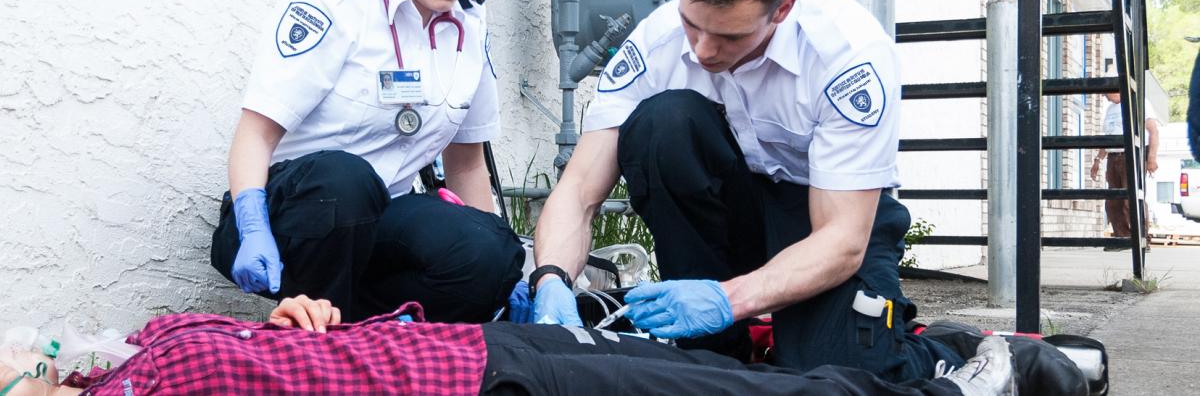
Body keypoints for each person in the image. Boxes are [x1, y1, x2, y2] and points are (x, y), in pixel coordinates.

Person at [528, 0, 962, 383]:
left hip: (824, 219)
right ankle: (716, 351)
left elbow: (841, 240)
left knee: (837, 377)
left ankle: (945, 350)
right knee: (663, 123)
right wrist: (550, 278)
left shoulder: (847, 55)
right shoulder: (656, 43)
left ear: (782, 9)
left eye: (729, 36)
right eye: (693, 24)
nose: (702, 50)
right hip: (728, 213)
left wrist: (726, 300)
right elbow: (579, 189)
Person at [209, 0, 524, 324]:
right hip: (287, 215)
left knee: (490, 251)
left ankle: (364, 336)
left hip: (379, 218)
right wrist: (251, 226)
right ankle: (313, 342)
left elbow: (466, 163)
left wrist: (501, 275)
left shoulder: (469, 26)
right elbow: (255, 135)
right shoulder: (336, 5)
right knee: (347, 179)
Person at [0, 296, 1017, 395]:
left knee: (711, 367)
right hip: (478, 391)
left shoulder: (137, 345)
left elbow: (257, 336)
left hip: (472, 344)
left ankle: (915, 362)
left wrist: (292, 309)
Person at [1089, 91, 1159, 240]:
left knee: (1131, 199)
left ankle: (1140, 238)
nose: (1105, 98)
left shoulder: (1138, 102)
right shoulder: (1109, 110)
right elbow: (1107, 138)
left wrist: (1152, 158)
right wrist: (1097, 160)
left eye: (1106, 94)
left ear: (1115, 90)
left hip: (1132, 155)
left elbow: (1153, 131)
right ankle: (1122, 237)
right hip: (1113, 157)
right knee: (1113, 201)